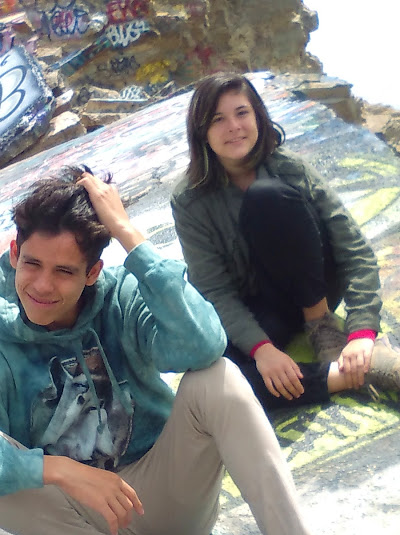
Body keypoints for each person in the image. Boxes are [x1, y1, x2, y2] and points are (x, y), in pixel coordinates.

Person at [0, 167, 388, 535]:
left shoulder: (121, 297)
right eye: (32, 264)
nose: (43, 285)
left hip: (167, 503)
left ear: (92, 272)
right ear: (14, 255)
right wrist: (60, 471)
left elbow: (203, 343)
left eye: (64, 271)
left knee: (218, 377)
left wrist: (127, 233)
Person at [171, 71, 400, 411]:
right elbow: (214, 290)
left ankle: (322, 328)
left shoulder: (289, 169)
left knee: (267, 197)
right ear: (201, 131)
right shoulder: (189, 200)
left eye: (242, 113)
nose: (233, 127)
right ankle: (349, 373)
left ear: (258, 117)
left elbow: (353, 249)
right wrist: (262, 350)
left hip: (315, 287)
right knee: (212, 382)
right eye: (218, 119)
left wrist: (362, 331)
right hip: (263, 308)